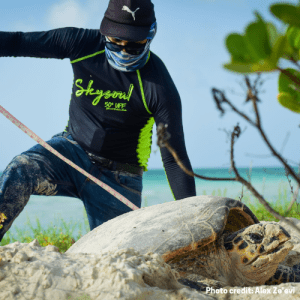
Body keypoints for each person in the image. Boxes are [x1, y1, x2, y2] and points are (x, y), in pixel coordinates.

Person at [0, 0, 196, 242]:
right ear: (104, 31)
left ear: (150, 35)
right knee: (20, 169)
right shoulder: (82, 43)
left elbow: (175, 160)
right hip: (70, 152)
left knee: (117, 252)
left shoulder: (159, 86)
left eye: (134, 45)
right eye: (115, 41)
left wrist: (193, 219)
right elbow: (19, 42)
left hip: (121, 177)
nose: (124, 51)